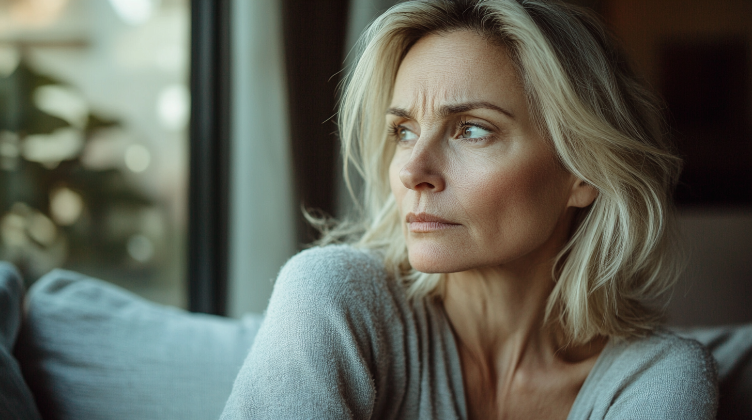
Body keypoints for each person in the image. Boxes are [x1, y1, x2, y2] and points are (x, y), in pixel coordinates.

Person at [221, 0, 718, 418]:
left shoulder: (658, 378)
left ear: (582, 172)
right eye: (404, 131)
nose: (413, 171)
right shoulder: (331, 299)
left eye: (472, 129)